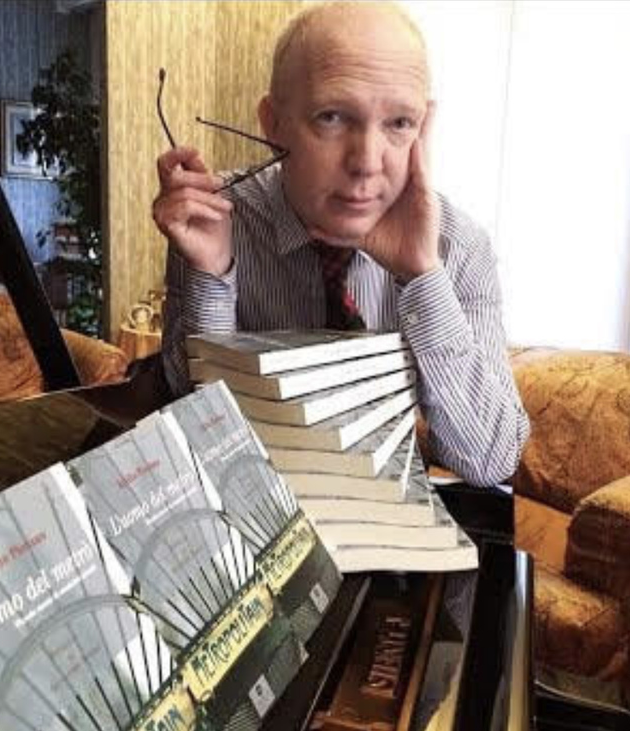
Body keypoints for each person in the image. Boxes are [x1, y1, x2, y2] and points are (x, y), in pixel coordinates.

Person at [152, 0, 529, 489]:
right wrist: (212, 275)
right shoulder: (217, 220)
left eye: (399, 123)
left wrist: (423, 276)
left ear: (424, 126)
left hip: (390, 521)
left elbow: (492, 460)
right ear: (273, 123)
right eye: (331, 117)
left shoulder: (459, 246)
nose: (367, 162)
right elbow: (197, 439)